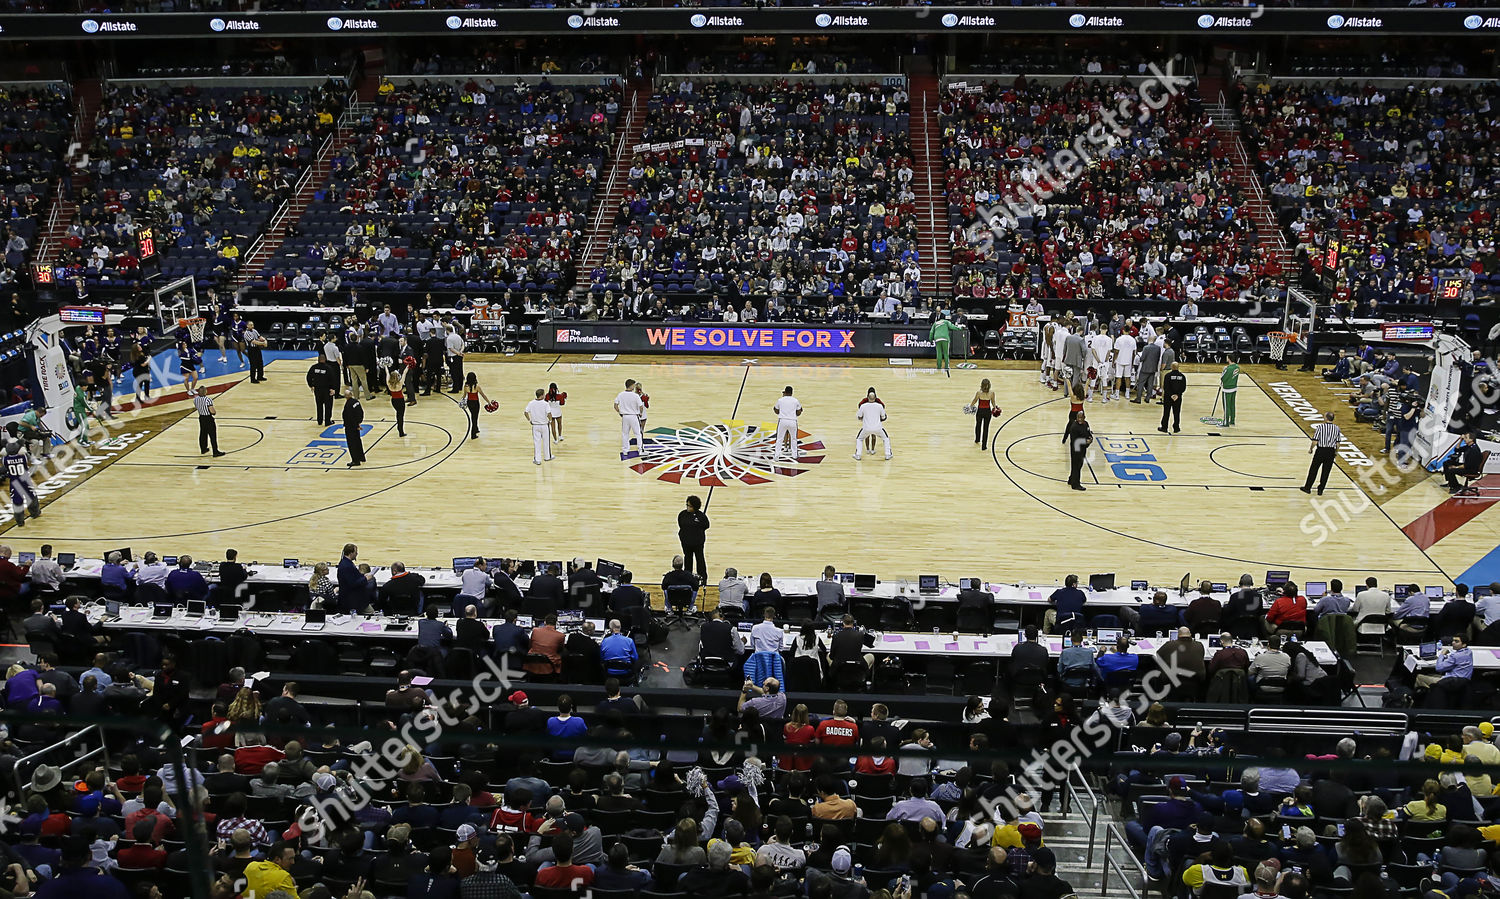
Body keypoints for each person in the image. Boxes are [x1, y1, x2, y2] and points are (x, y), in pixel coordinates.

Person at [3, 441, 41, 528]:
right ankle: (35, 513)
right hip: (25, 481)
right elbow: (30, 459)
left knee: (17, 502)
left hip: (14, 482)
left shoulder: (5, 459)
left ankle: (20, 521)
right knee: (31, 497)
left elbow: (5, 468)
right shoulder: (23, 456)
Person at [1300, 412, 1340, 495]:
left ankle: (1307, 488)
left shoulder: (1320, 427)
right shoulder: (1337, 428)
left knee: (1313, 469)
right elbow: (1338, 443)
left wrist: (1311, 449)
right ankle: (1320, 490)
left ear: (1326, 418)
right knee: (1326, 471)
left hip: (1321, 450)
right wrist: (1336, 452)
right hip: (1330, 451)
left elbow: (1315, 441)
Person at [677, 495, 709, 585]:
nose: (687, 507)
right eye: (687, 505)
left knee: (700, 559)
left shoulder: (701, 516)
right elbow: (681, 524)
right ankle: (687, 576)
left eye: (689, 506)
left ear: (695, 507)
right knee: (688, 559)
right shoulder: (682, 514)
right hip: (686, 542)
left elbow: (706, 525)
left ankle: (703, 577)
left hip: (698, 542)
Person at [853, 387, 891, 461]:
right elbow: (883, 417)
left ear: (867, 397)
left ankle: (858, 455)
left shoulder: (863, 406)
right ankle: (887, 454)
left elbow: (859, 416)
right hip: (878, 428)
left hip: (866, 428)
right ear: (875, 397)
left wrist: (865, 418)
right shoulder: (880, 406)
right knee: (886, 438)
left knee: (859, 439)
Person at [614, 378, 645, 459]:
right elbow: (641, 406)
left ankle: (625, 451)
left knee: (625, 434)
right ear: (631, 386)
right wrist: (640, 413)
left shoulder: (620, 394)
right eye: (633, 385)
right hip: (634, 416)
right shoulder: (635, 396)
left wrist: (620, 412)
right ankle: (640, 450)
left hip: (625, 417)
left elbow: (615, 405)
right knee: (638, 433)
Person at [307, 350, 340, 426]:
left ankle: (319, 420)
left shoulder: (313, 367)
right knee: (328, 406)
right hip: (327, 390)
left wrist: (311, 385)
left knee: (319, 405)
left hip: (317, 389)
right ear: (325, 360)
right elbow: (333, 379)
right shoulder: (328, 368)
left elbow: (308, 377)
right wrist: (333, 388)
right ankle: (327, 421)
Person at [523, 388, 554, 465]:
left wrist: (529, 420)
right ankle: (547, 457)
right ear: (542, 395)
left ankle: (537, 459)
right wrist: (550, 421)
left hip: (535, 425)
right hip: (544, 425)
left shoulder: (531, 403)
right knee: (546, 441)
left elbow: (526, 412)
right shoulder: (545, 404)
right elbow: (549, 413)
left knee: (537, 442)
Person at [1065, 410, 1092, 491]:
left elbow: (1088, 433)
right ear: (1076, 418)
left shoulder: (1086, 424)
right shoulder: (1074, 427)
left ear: (1084, 417)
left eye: (1081, 417)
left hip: (1083, 448)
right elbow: (1075, 441)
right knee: (1077, 465)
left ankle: (1071, 479)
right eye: (1078, 418)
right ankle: (1075, 484)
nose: (1080, 419)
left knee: (1078, 466)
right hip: (1076, 449)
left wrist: (1090, 438)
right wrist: (1085, 441)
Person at [773, 385, 803, 460]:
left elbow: (775, 410)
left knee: (779, 439)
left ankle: (776, 456)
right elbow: (799, 411)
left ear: (785, 392)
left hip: (782, 420)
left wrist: (782, 411)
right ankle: (794, 455)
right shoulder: (795, 400)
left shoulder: (780, 400)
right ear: (792, 393)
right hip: (792, 421)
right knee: (793, 439)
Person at [930, 310, 962, 375]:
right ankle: (946, 367)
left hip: (937, 338)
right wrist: (960, 328)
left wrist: (930, 340)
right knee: (945, 353)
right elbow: (952, 327)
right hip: (945, 338)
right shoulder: (946, 322)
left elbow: (931, 332)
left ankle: (939, 367)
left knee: (939, 353)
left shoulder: (935, 323)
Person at [972, 378, 998, 450]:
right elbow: (993, 402)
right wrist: (995, 408)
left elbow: (975, 400)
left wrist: (970, 406)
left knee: (978, 425)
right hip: (987, 412)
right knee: (986, 428)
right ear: (989, 385)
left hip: (980, 411)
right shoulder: (992, 393)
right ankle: (984, 446)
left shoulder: (979, 393)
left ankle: (977, 439)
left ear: (981, 385)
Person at [1159, 363, 1186, 434]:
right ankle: (1176, 428)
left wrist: (1171, 395)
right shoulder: (1182, 376)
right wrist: (1177, 395)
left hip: (1168, 397)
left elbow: (1166, 387)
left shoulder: (1168, 376)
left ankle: (1164, 427)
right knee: (1176, 413)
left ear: (1171, 367)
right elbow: (1183, 387)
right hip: (1178, 398)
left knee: (1166, 412)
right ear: (1178, 367)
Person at [342, 389, 366, 467]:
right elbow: (361, 412)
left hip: (350, 427)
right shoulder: (356, 402)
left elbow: (350, 417)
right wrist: (359, 423)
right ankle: (361, 457)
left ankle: (355, 460)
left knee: (352, 444)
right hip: (356, 425)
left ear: (346, 396)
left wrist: (355, 425)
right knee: (358, 442)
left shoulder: (349, 405)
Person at [463, 372, 490, 440]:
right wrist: (489, 402)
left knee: (473, 415)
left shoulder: (466, 386)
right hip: (475, 403)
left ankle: (476, 428)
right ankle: (473, 434)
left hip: (469, 403)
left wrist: (461, 402)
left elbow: (464, 395)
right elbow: (483, 395)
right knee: (475, 417)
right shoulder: (477, 387)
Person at [445, 323, 466, 392]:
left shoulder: (449, 338)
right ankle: (460, 386)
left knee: (454, 373)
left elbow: (451, 348)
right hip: (459, 356)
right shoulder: (458, 336)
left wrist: (457, 353)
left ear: (447, 331)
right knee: (460, 371)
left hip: (453, 357)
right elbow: (463, 344)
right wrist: (460, 352)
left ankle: (455, 388)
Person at [386, 369, 408, 439]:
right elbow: (404, 373)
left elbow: (387, 374)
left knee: (398, 414)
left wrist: (385, 366)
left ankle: (399, 428)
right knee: (400, 416)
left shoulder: (389, 384)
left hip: (394, 401)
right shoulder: (400, 383)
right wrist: (408, 366)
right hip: (400, 401)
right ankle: (400, 431)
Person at [1219, 360, 1239, 426]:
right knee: (1232, 405)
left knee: (1226, 406)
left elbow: (1223, 378)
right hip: (1234, 387)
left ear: (1229, 359)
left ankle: (1226, 422)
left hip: (1227, 389)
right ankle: (1232, 421)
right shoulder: (1237, 367)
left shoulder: (1228, 368)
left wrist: (1223, 371)